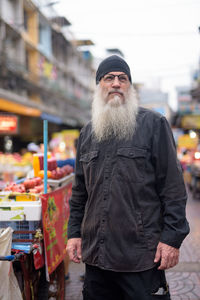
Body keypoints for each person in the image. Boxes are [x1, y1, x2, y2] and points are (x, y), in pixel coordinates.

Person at [66, 55, 190, 300]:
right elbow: (80, 192)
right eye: (109, 78)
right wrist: (74, 234)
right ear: (99, 85)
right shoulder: (87, 133)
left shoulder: (154, 124)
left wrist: (172, 239)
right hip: (96, 256)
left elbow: (173, 188)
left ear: (130, 87)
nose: (116, 83)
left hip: (141, 256)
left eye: (122, 79)